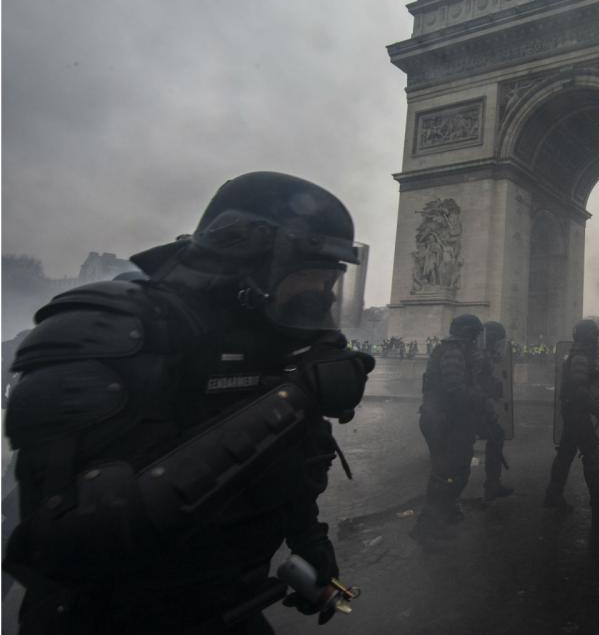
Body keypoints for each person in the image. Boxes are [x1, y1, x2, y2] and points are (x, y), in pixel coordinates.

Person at [3, 172, 375, 633]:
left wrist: (309, 540)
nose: (321, 298)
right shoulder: (108, 333)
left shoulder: (277, 341)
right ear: (248, 259)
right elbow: (72, 545)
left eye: (329, 283)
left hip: (228, 606)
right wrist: (293, 400)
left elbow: (292, 462)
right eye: (309, 279)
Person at [412, 314, 486, 543]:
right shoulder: (454, 352)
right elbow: (455, 389)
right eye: (474, 335)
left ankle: (445, 512)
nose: (476, 340)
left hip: (444, 418)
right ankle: (428, 526)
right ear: (468, 334)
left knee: (454, 470)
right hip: (444, 420)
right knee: (446, 473)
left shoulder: (456, 350)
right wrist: (478, 399)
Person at [544, 320, 599, 521]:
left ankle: (553, 495)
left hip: (573, 412)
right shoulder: (581, 357)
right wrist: (596, 409)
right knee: (592, 455)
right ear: (589, 337)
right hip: (578, 414)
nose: (598, 340)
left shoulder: (578, 354)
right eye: (595, 336)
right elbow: (579, 390)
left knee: (565, 454)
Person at [478, 321, 514, 501]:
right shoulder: (481, 358)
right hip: (469, 410)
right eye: (499, 342)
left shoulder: (482, 356)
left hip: (474, 408)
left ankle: (493, 484)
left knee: (497, 434)